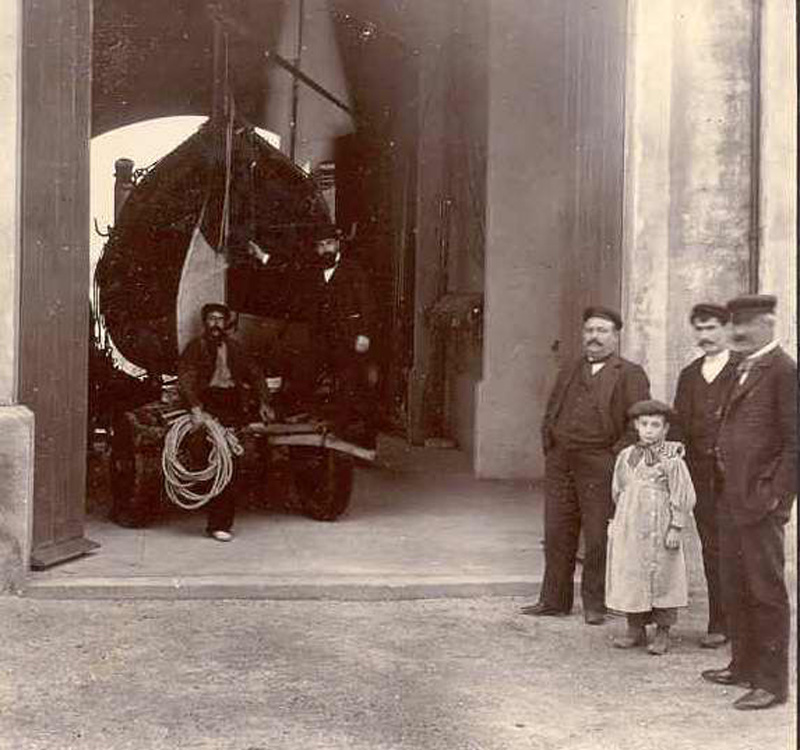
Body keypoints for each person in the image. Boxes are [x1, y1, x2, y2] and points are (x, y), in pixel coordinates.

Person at [521, 306, 651, 624]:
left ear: (616, 337)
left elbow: (639, 422)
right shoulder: (571, 368)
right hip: (562, 460)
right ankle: (554, 600)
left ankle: (595, 604)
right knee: (557, 532)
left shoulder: (630, 373)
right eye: (590, 331)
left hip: (600, 463)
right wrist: (550, 444)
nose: (594, 337)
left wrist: (613, 458)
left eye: (602, 331)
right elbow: (553, 408)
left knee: (596, 536)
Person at [701, 294, 797, 710]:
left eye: (748, 323)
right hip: (731, 497)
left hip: (759, 500)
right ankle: (742, 665)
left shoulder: (783, 371)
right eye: (735, 322)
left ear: (770, 324)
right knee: (735, 585)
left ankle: (772, 684)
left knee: (765, 590)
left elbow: (796, 443)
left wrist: (775, 495)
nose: (737, 331)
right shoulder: (744, 366)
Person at [672, 303, 740, 648]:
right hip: (702, 477)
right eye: (699, 328)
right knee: (712, 548)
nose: (705, 336)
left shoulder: (743, 369)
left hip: (739, 478)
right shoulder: (689, 374)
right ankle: (719, 622)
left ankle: (746, 625)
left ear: (727, 329)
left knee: (742, 549)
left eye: (711, 328)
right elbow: (679, 425)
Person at [177, 302, 274, 541]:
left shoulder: (236, 348)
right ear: (205, 322)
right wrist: (195, 407)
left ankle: (220, 523)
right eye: (211, 319)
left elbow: (256, 374)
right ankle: (217, 521)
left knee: (229, 463)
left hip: (232, 403)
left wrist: (264, 402)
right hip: (207, 402)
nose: (216, 324)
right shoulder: (195, 348)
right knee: (214, 459)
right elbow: (186, 379)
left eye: (220, 319)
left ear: (226, 323)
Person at [606, 400, 696, 655]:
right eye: (644, 424)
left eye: (655, 425)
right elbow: (618, 489)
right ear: (636, 425)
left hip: (660, 526)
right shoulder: (626, 455)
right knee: (633, 573)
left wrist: (676, 526)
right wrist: (621, 520)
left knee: (663, 576)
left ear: (666, 428)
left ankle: (663, 633)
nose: (649, 430)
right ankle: (635, 629)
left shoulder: (672, 458)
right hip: (632, 526)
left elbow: (683, 494)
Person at [311, 224, 378, 447]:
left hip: (352, 339)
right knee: (333, 387)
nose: (325, 249)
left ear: (338, 244)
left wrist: (364, 334)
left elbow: (368, 304)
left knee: (355, 387)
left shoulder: (353, 270)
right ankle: (335, 436)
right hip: (327, 340)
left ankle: (365, 441)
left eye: (329, 243)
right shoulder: (316, 271)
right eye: (320, 246)